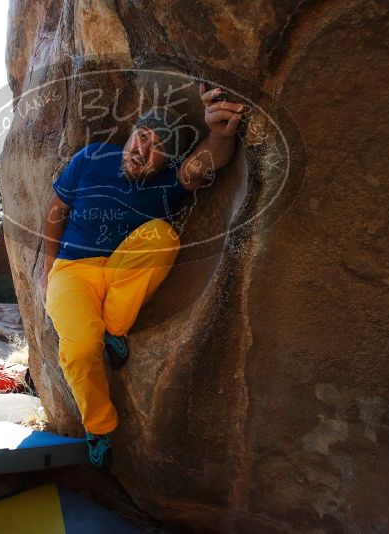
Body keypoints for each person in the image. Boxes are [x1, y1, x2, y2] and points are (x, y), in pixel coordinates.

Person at [38, 83, 246, 470]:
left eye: (157, 148)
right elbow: (57, 208)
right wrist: (48, 266)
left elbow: (207, 161)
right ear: (131, 133)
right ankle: (99, 427)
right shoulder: (92, 156)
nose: (143, 149)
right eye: (142, 136)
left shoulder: (171, 182)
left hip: (122, 269)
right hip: (73, 270)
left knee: (162, 235)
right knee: (80, 348)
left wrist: (219, 132)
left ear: (167, 161)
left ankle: (114, 330)